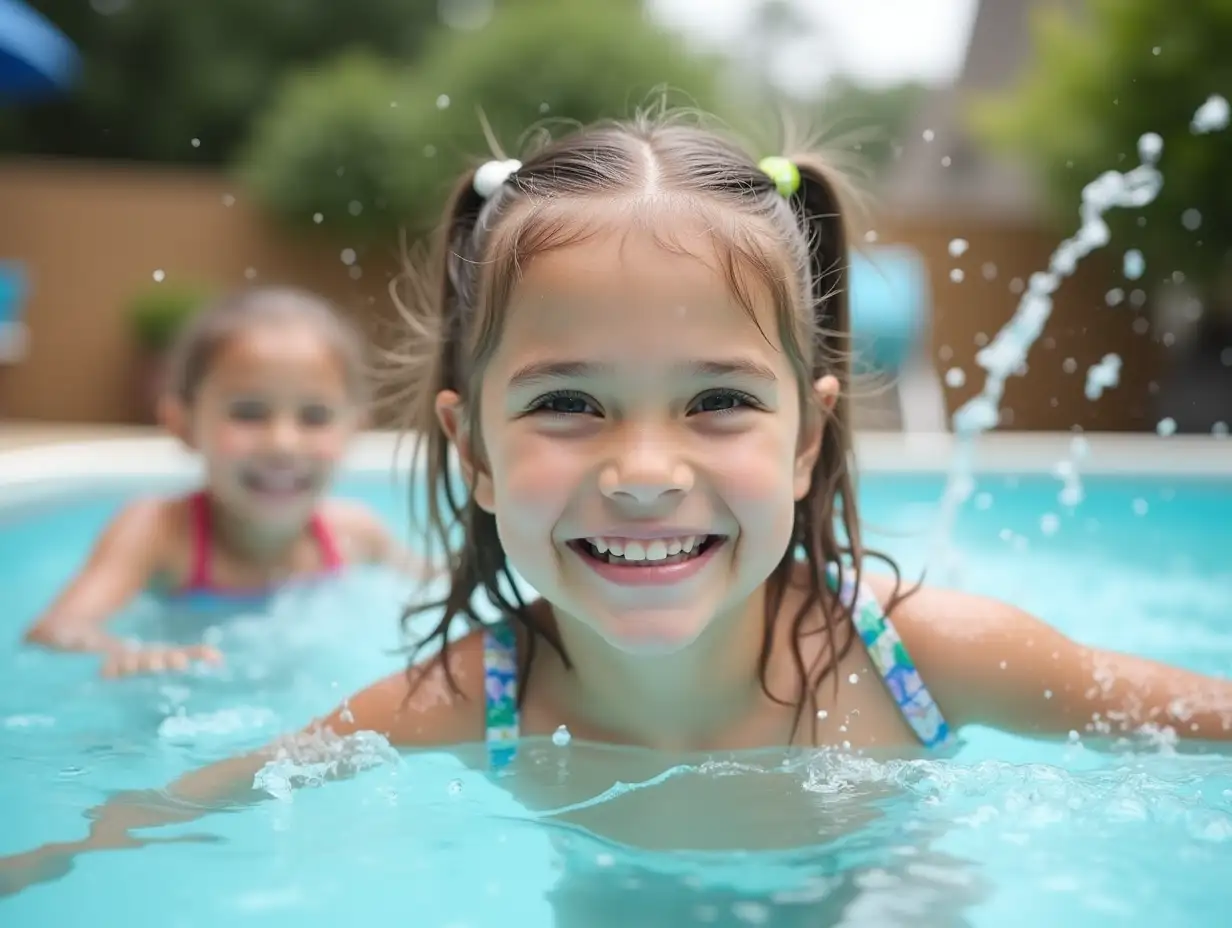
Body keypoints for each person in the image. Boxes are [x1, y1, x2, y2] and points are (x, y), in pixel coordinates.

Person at [5, 110, 1232, 909]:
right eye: (569, 403)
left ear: (806, 439)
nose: (643, 468)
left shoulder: (922, 658)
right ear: (469, 449)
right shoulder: (461, 701)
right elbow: (181, 803)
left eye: (714, 401)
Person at [23, 286, 434, 678]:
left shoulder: (357, 535)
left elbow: (437, 589)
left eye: (315, 416)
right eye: (249, 412)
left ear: (353, 430)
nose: (283, 444)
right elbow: (58, 629)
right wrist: (125, 653)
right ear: (181, 424)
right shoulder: (158, 532)